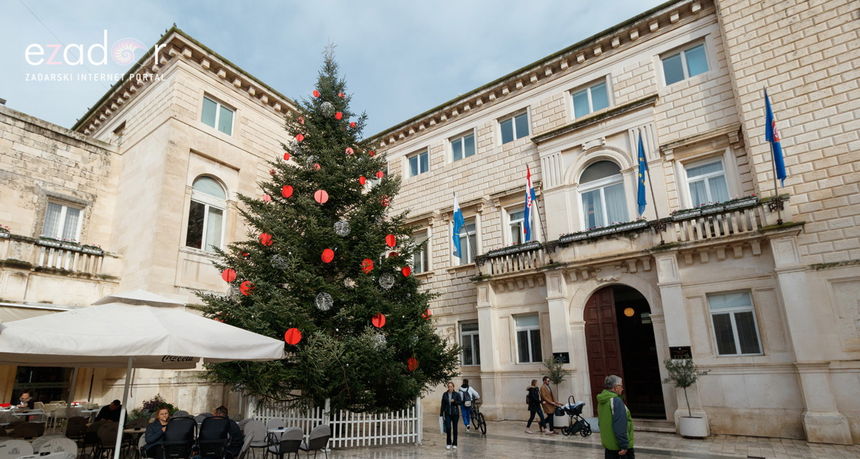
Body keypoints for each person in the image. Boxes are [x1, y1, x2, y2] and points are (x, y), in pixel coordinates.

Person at [597, 375, 635, 458]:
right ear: (615, 387)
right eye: (621, 385)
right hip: (619, 447)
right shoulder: (616, 401)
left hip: (609, 445)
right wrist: (624, 445)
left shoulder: (602, 401)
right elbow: (620, 424)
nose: (622, 388)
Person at [439, 382, 461, 450]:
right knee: (448, 428)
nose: (450, 388)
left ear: (453, 387)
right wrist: (441, 413)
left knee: (455, 429)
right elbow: (442, 404)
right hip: (447, 414)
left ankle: (455, 443)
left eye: (451, 386)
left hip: (455, 414)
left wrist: (454, 401)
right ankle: (448, 443)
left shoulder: (457, 394)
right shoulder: (445, 394)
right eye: (449, 386)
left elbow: (460, 402)